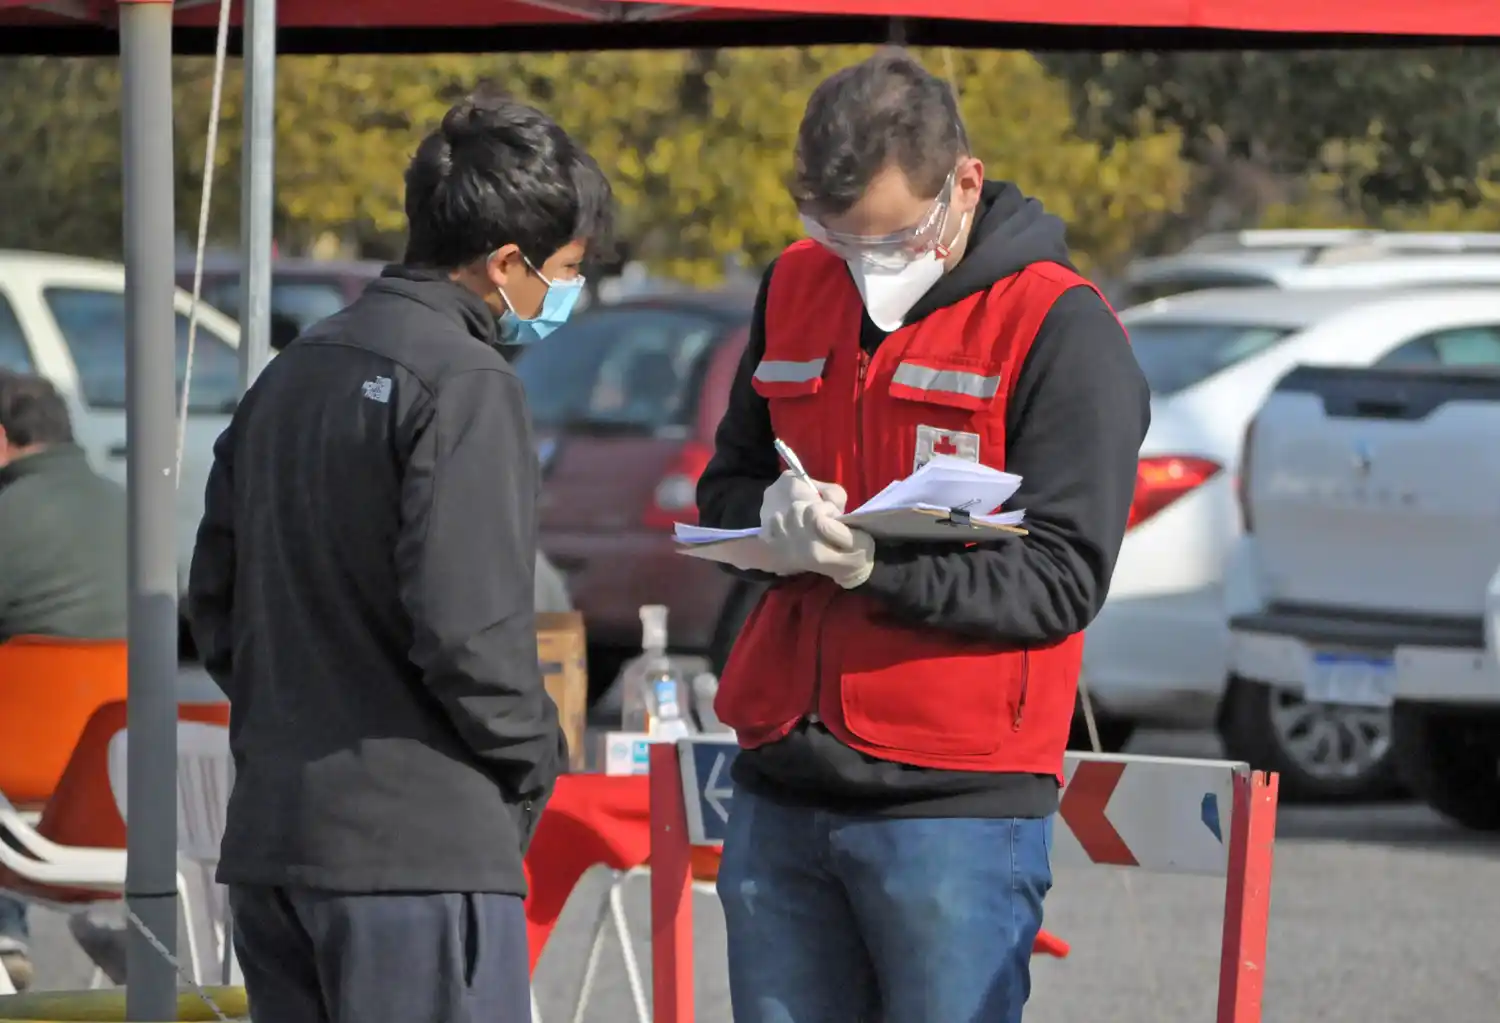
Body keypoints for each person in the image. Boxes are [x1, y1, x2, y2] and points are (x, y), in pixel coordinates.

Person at [696, 50, 1151, 1023]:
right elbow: (730, 471)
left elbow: (1061, 580)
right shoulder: (794, 287)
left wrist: (871, 564)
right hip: (784, 778)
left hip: (955, 806)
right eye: (835, 235)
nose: (865, 267)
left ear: (964, 186)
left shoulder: (1058, 329)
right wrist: (765, 521)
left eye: (892, 239)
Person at [187, 90, 611, 1023]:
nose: (570, 295)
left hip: (279, 845)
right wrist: (537, 753)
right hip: (419, 853)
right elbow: (471, 633)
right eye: (567, 271)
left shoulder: (293, 372)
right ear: (506, 263)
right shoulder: (467, 384)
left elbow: (215, 602)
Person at [0, 370, 128, 991]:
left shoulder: (7, 517)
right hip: (120, 783)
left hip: (15, 771)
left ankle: (4, 931)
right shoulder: (137, 514)